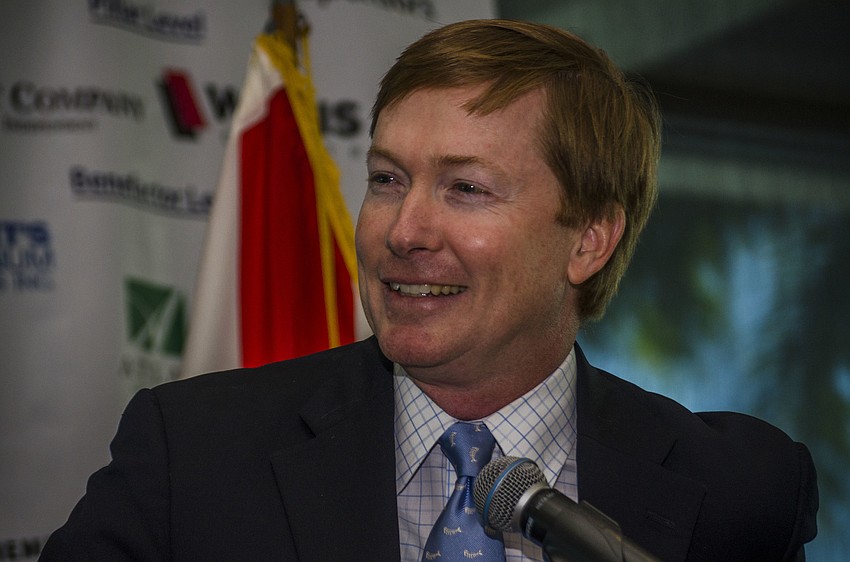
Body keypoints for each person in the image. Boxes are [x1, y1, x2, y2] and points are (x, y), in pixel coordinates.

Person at [40, 19, 818, 562]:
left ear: (589, 239)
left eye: (466, 188)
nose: (402, 229)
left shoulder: (740, 494)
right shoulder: (193, 456)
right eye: (387, 179)